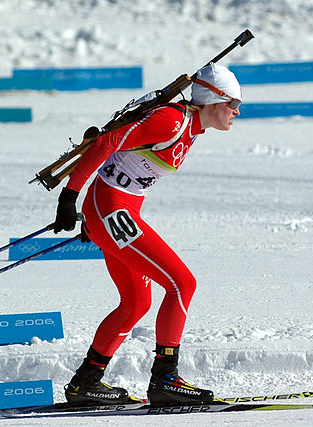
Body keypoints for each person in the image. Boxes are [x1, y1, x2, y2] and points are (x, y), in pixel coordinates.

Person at [53, 62, 242, 406]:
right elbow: (107, 142)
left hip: (115, 210)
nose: (237, 112)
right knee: (182, 283)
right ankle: (165, 378)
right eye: (233, 103)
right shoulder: (171, 120)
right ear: (213, 101)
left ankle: (86, 382)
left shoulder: (192, 129)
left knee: (136, 303)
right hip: (112, 207)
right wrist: (70, 197)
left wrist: (96, 217)